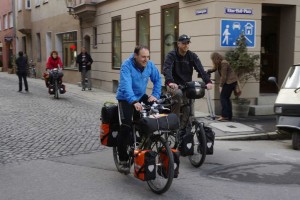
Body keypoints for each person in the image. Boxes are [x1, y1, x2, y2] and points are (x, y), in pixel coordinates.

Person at [116, 45, 161, 172]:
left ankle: (142, 143)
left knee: (153, 113)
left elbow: (157, 80)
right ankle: (123, 160)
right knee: (126, 127)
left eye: (147, 57)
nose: (146, 59)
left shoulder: (150, 65)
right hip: (126, 97)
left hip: (140, 95)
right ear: (136, 56)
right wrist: (133, 101)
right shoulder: (127, 65)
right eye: (143, 57)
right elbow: (126, 85)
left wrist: (155, 95)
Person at [163, 34, 213, 134]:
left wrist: (208, 82)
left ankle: (185, 127)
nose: (186, 45)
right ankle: (174, 123)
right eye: (184, 43)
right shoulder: (171, 55)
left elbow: (201, 70)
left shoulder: (192, 56)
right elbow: (167, 69)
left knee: (190, 102)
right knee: (178, 94)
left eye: (188, 43)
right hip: (173, 85)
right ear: (178, 44)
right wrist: (170, 81)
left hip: (187, 85)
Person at [208, 52, 238, 121]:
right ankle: (229, 116)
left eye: (213, 59)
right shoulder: (220, 63)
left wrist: (220, 86)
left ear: (215, 58)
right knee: (226, 98)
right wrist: (209, 71)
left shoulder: (224, 63)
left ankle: (224, 116)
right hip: (230, 82)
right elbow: (215, 69)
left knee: (223, 98)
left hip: (229, 82)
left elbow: (223, 76)